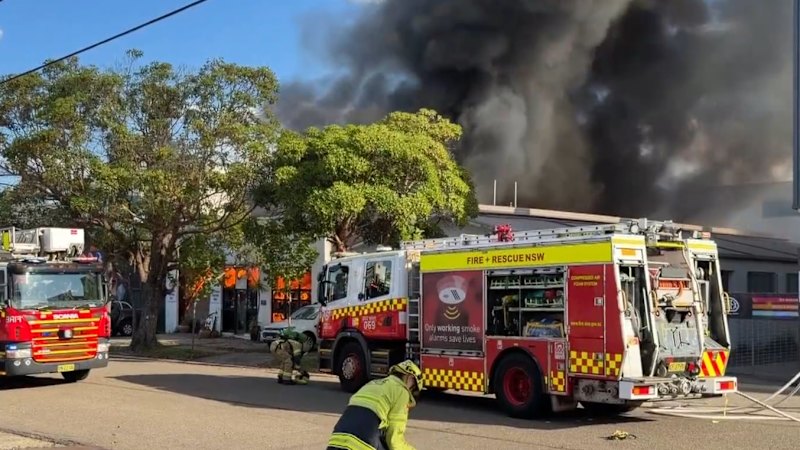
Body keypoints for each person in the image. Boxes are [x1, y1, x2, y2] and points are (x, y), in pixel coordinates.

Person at [327, 360, 422, 450]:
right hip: (363, 442)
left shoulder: (372, 384)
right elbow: (394, 441)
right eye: (413, 388)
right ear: (410, 378)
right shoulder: (402, 391)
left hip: (336, 439)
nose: (411, 391)